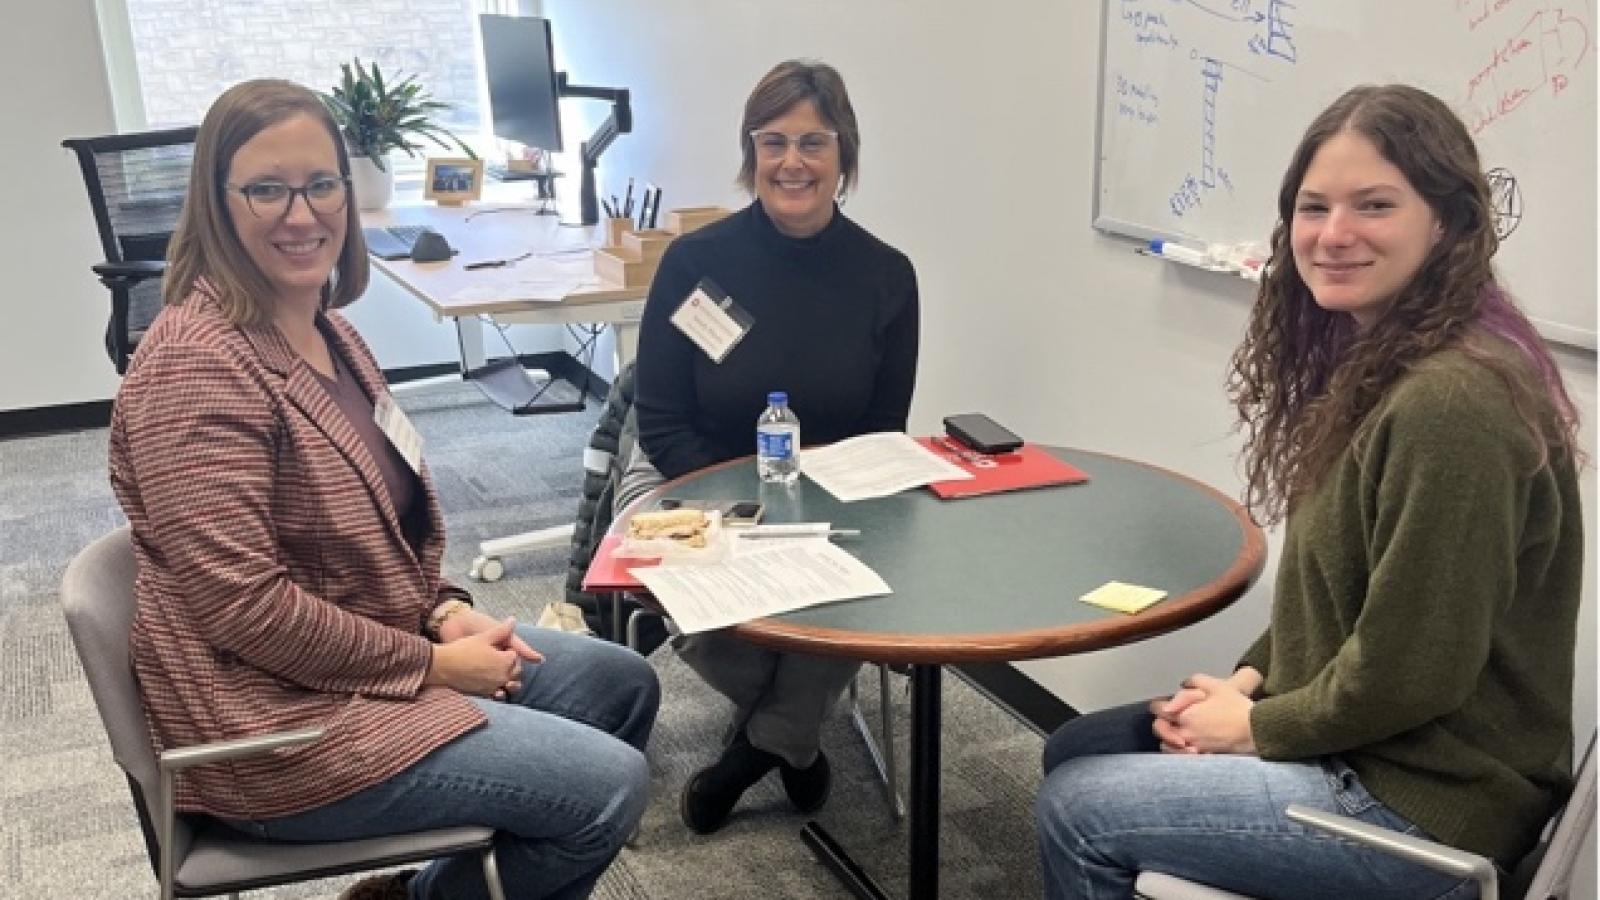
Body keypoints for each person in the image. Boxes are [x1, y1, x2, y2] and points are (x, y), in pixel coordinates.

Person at [108, 79, 659, 900]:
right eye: (266, 188)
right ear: (217, 203)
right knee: (605, 787)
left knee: (624, 687)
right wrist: (435, 664)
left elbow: (376, 529)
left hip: (357, 656)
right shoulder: (198, 365)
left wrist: (439, 607)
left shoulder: (327, 330)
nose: (302, 214)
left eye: (321, 184)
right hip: (272, 728)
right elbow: (248, 611)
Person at [1035, 83, 1584, 900]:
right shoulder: (1387, 363)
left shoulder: (1452, 401)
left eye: (1373, 206)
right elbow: (1341, 604)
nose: (1333, 235)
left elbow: (1412, 673)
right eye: (1313, 206)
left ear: (1450, 222)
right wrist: (1252, 680)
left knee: (1078, 806)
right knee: (1079, 747)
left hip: (1425, 804)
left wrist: (1254, 727)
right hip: (1369, 741)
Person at [630, 59, 920, 834]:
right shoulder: (697, 264)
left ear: (844, 155)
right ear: (751, 151)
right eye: (773, 141)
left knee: (855, 577)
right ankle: (793, 737)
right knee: (675, 588)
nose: (792, 161)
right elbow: (659, 416)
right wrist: (742, 512)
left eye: (813, 142)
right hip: (688, 467)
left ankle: (761, 745)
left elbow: (881, 434)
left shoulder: (887, 277)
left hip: (824, 488)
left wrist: (803, 510)